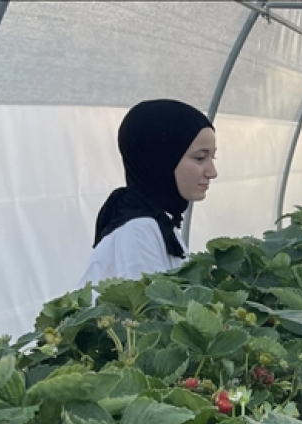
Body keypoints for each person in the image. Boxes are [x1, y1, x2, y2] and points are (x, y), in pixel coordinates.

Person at [81, 99, 217, 287]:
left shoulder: (160, 222)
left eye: (213, 156)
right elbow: (151, 311)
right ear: (161, 159)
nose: (212, 172)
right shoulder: (139, 230)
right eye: (200, 158)